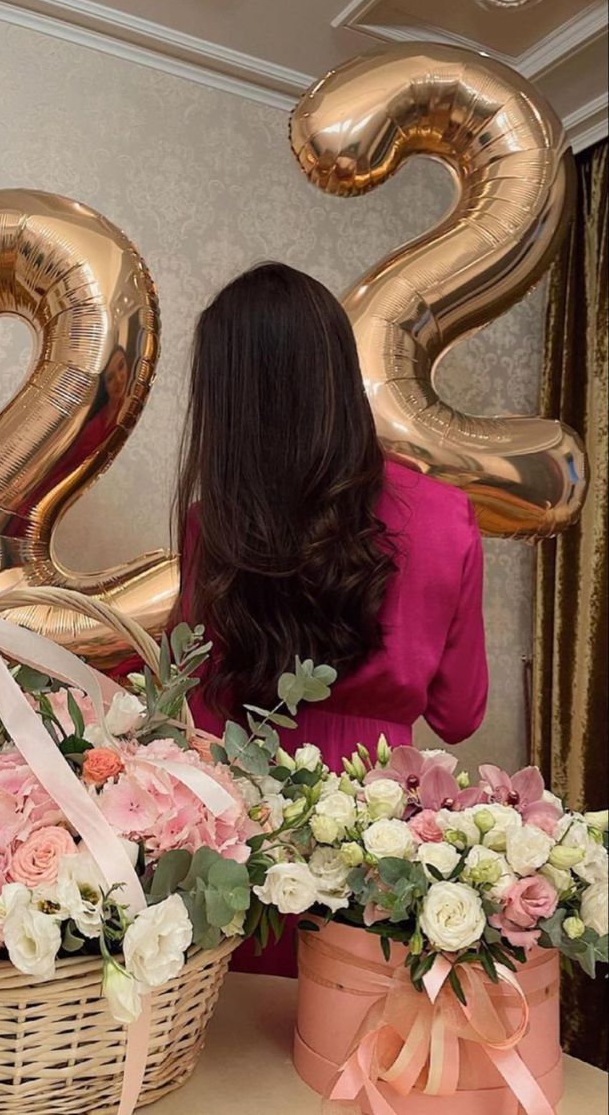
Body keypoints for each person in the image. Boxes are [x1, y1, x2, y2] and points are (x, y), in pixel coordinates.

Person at [121, 261, 489, 975]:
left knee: (243, 1062)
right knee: (355, 1044)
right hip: (382, 839)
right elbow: (460, 711)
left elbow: (194, 703)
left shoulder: (213, 524)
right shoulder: (444, 514)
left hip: (246, 839)